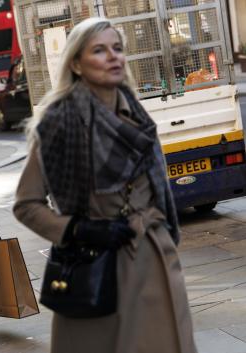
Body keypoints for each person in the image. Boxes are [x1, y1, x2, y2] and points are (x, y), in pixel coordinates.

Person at [13, 17, 197, 353]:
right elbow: (27, 206)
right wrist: (79, 229)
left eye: (117, 49)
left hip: (155, 258)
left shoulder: (136, 113)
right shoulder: (60, 124)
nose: (113, 57)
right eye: (99, 50)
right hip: (99, 267)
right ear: (77, 64)